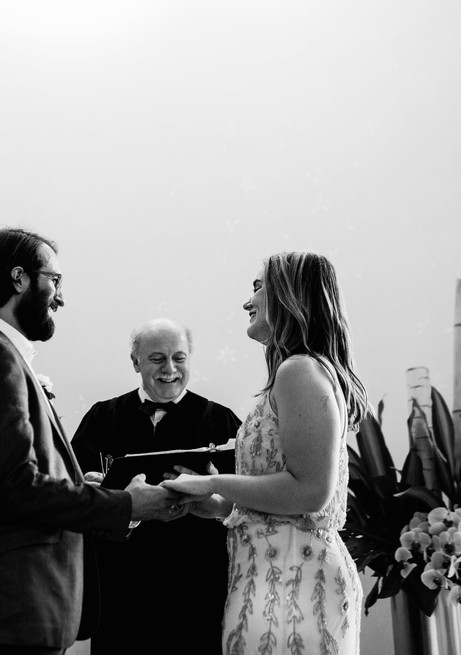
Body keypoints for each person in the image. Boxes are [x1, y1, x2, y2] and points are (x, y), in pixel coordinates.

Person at [0, 228, 180, 655]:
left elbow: (10, 480)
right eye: (54, 280)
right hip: (14, 611)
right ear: (19, 278)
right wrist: (126, 505)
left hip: (24, 610)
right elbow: (15, 485)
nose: (60, 298)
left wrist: (81, 489)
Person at [162, 252, 370, 655]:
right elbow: (288, 500)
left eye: (258, 287)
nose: (247, 301)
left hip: (295, 581)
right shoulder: (297, 371)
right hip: (273, 574)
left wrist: (213, 482)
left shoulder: (299, 371)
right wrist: (222, 506)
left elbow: (311, 492)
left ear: (289, 295)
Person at [71, 318, 242, 655]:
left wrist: (215, 499)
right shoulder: (101, 418)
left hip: (197, 590)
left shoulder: (222, 421)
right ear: (135, 362)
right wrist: (94, 488)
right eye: (157, 359)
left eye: (179, 358)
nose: (170, 369)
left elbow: (246, 505)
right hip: (120, 591)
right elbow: (74, 498)